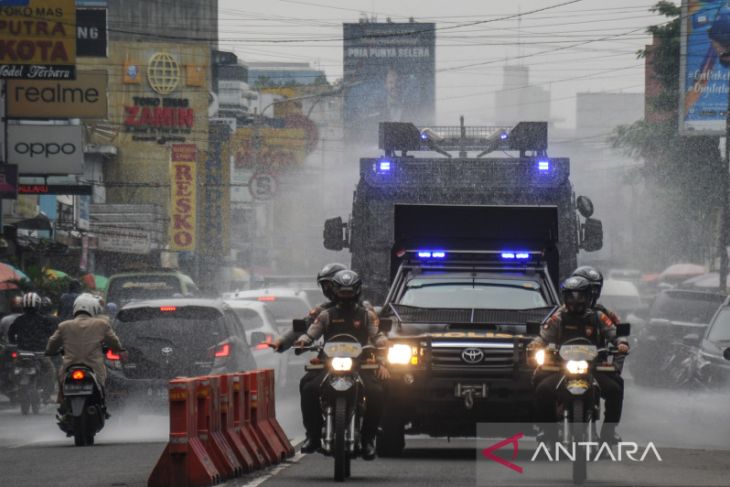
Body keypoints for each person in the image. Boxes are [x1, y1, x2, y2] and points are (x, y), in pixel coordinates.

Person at [294, 270, 389, 459]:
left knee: (378, 391)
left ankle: (369, 438)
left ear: (356, 291)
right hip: (328, 363)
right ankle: (313, 435)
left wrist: (383, 346)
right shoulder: (326, 315)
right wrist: (303, 341)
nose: (346, 296)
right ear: (335, 291)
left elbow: (377, 335)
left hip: (360, 365)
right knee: (308, 387)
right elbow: (312, 332)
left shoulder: (366, 315)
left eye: (349, 292)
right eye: (342, 292)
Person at [532, 276, 629, 444]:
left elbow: (615, 334)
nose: (575, 301)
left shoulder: (598, 316)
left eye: (580, 296)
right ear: (565, 297)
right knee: (542, 387)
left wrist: (621, 344)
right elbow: (543, 336)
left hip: (594, 368)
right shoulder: (558, 316)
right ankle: (547, 430)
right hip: (562, 368)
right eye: (571, 296)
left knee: (615, 388)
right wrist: (536, 345)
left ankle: (609, 432)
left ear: (588, 297)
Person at [45, 293, 124, 411]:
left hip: (70, 366)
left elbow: (52, 344)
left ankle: (62, 403)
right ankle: (102, 404)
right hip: (94, 367)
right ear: (93, 308)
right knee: (101, 383)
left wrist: (50, 351)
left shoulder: (64, 325)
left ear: (75, 307)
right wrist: (118, 349)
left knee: (61, 378)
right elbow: (114, 342)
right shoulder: (101, 324)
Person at [272, 262, 348, 353]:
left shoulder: (364, 310)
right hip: (330, 356)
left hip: (362, 357)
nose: (327, 288)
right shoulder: (322, 310)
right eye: (324, 285)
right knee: (315, 365)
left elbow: (370, 333)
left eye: (329, 284)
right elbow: (303, 326)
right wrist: (281, 341)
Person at [7, 292, 60, 400]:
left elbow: (11, 334)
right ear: (38, 305)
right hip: (40, 353)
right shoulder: (44, 320)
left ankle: (13, 390)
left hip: (22, 353)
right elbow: (52, 334)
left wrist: (14, 344)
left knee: (11, 369)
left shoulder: (19, 320)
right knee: (51, 372)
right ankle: (46, 395)